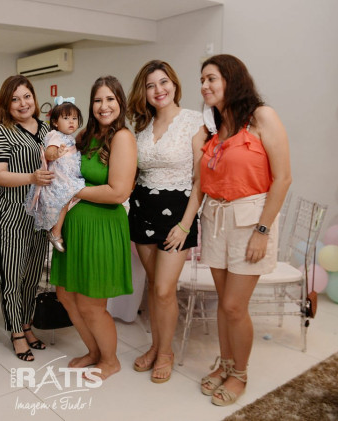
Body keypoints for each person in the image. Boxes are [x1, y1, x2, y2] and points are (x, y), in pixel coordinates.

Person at [198, 54, 291, 406]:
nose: (204, 85)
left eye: (211, 78)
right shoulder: (218, 126)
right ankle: (225, 364)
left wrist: (262, 231)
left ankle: (239, 373)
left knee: (234, 306)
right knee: (224, 305)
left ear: (232, 79)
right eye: (202, 80)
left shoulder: (262, 117)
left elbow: (283, 178)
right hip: (216, 219)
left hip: (250, 221)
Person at [51, 76, 137, 380]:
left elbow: (118, 192)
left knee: (91, 304)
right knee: (65, 295)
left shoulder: (122, 137)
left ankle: (110, 360)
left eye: (110, 99)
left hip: (102, 226)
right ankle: (94, 351)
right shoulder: (85, 135)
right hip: (75, 227)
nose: (104, 106)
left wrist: (73, 190)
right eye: (98, 100)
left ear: (120, 102)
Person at [126, 60, 207, 383]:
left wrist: (186, 224)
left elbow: (201, 180)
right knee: (153, 287)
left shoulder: (194, 121)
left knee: (163, 289)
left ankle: (166, 353)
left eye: (163, 82)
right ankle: (155, 346)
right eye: (151, 85)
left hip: (177, 214)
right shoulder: (142, 127)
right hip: (142, 209)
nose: (158, 90)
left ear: (174, 84)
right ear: (143, 92)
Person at [0, 75, 52, 361]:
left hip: (40, 214)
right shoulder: (0, 133)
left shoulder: (47, 129)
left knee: (33, 276)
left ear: (34, 98)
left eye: (26, 96)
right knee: (12, 275)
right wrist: (32, 177)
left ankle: (27, 324)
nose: (22, 103)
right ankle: (15, 332)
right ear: (6, 104)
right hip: (11, 212)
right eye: (15, 99)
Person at [25, 96, 85, 253]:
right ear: (55, 122)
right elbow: (49, 153)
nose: (71, 122)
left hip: (68, 176)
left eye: (74, 118)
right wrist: (56, 153)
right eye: (66, 118)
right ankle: (55, 233)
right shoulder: (55, 135)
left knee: (70, 199)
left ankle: (57, 230)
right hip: (58, 178)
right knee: (65, 198)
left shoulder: (70, 138)